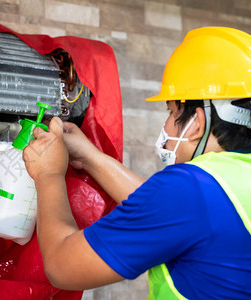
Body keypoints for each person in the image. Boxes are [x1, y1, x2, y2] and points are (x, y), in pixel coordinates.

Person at [23, 27, 251, 299]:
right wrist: (89, 156)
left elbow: (61, 265)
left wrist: (48, 174)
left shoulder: (190, 190)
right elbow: (169, 214)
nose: (166, 124)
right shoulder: (228, 184)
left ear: (195, 124)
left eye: (171, 111)